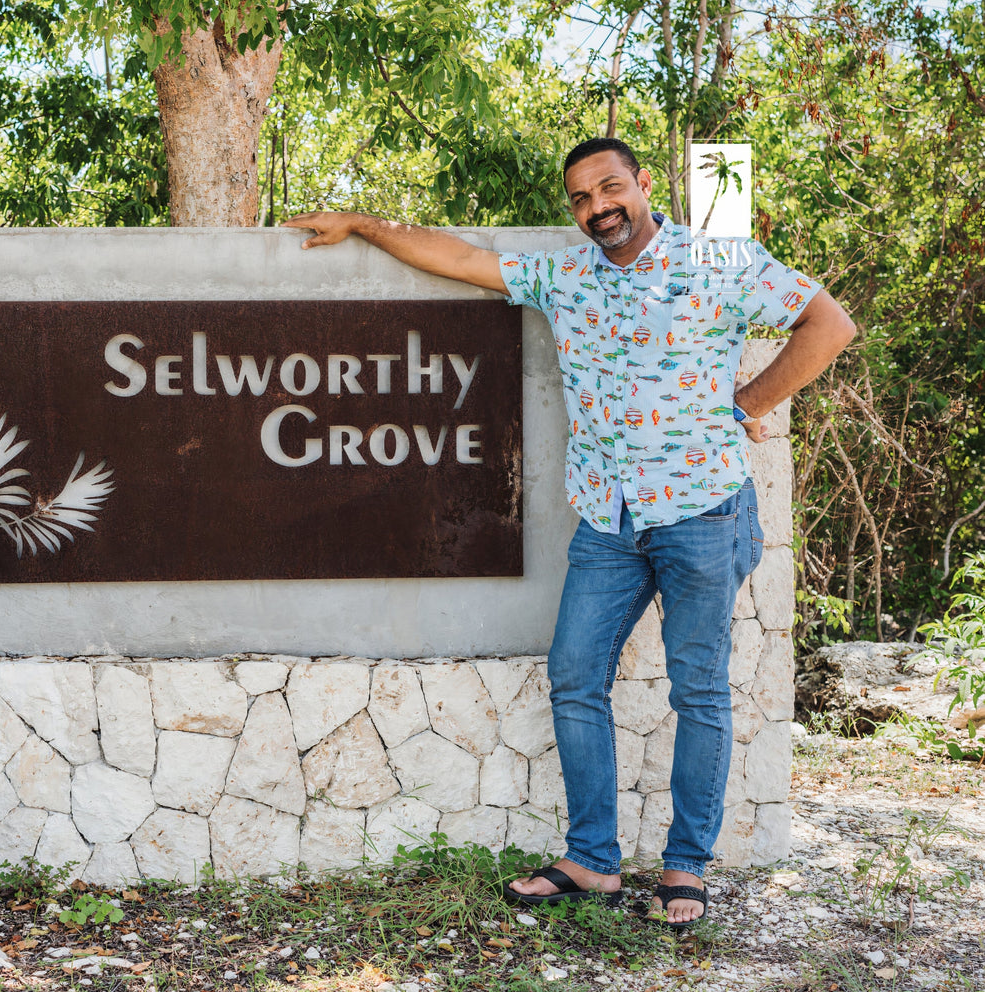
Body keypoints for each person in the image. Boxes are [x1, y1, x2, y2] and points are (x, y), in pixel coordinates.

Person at [284, 137, 855, 925]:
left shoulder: (721, 263)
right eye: (582, 198)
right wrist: (364, 224)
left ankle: (686, 867)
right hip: (609, 521)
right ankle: (592, 859)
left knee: (699, 691)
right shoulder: (566, 276)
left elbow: (828, 325)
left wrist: (748, 403)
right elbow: (458, 258)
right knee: (575, 676)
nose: (598, 208)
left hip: (702, 516)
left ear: (644, 184)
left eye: (610, 188)